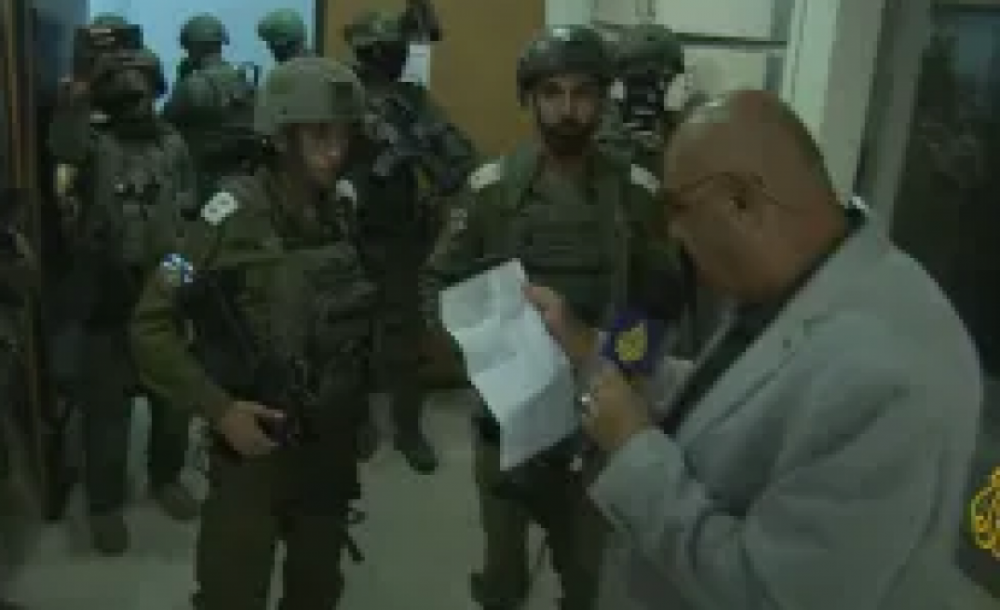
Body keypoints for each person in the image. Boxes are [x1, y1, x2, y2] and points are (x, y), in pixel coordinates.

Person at [525, 89, 983, 610]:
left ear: (741, 201)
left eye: (679, 209)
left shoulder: (885, 377)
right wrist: (590, 347)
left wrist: (632, 448)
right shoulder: (806, 278)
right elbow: (733, 399)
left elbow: (768, 595)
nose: (672, 233)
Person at [422, 25, 683, 610]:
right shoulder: (491, 192)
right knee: (504, 573)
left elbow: (660, 297)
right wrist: (477, 357)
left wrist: (621, 367)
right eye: (552, 93)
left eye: (583, 93)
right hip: (509, 419)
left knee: (589, 575)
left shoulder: (634, 194)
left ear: (603, 99)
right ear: (530, 99)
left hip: (597, 419)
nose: (568, 110)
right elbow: (437, 284)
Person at [131, 56, 376, 610]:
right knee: (233, 593)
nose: (334, 151)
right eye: (318, 135)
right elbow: (151, 324)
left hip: (328, 446)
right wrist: (219, 410)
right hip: (254, 448)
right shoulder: (224, 218)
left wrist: (361, 409)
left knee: (317, 590)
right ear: (281, 137)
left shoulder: (339, 210)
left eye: (343, 135)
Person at [47, 40, 200, 555]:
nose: (135, 106)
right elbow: (65, 148)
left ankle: (166, 475)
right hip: (108, 290)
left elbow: (189, 214)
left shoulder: (174, 144)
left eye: (142, 95)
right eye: (122, 98)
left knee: (173, 400)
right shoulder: (94, 145)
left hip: (164, 288)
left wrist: (184, 280)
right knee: (107, 411)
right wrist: (76, 100)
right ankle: (104, 502)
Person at [344, 9, 478, 473]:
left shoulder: (414, 102)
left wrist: (424, 156)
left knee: (403, 340)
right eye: (383, 52)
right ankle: (355, 424)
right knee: (348, 334)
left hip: (401, 235)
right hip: (348, 233)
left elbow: (461, 158)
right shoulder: (343, 95)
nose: (391, 60)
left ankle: (407, 429)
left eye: (395, 51)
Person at [163, 13, 256, 210]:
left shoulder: (191, 85)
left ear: (193, 47)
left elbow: (165, 124)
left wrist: (181, 80)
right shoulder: (244, 81)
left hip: (201, 181)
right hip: (243, 180)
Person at [597, 23, 685, 176]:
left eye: (658, 81)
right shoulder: (597, 129)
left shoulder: (682, 132)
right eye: (637, 81)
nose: (647, 93)